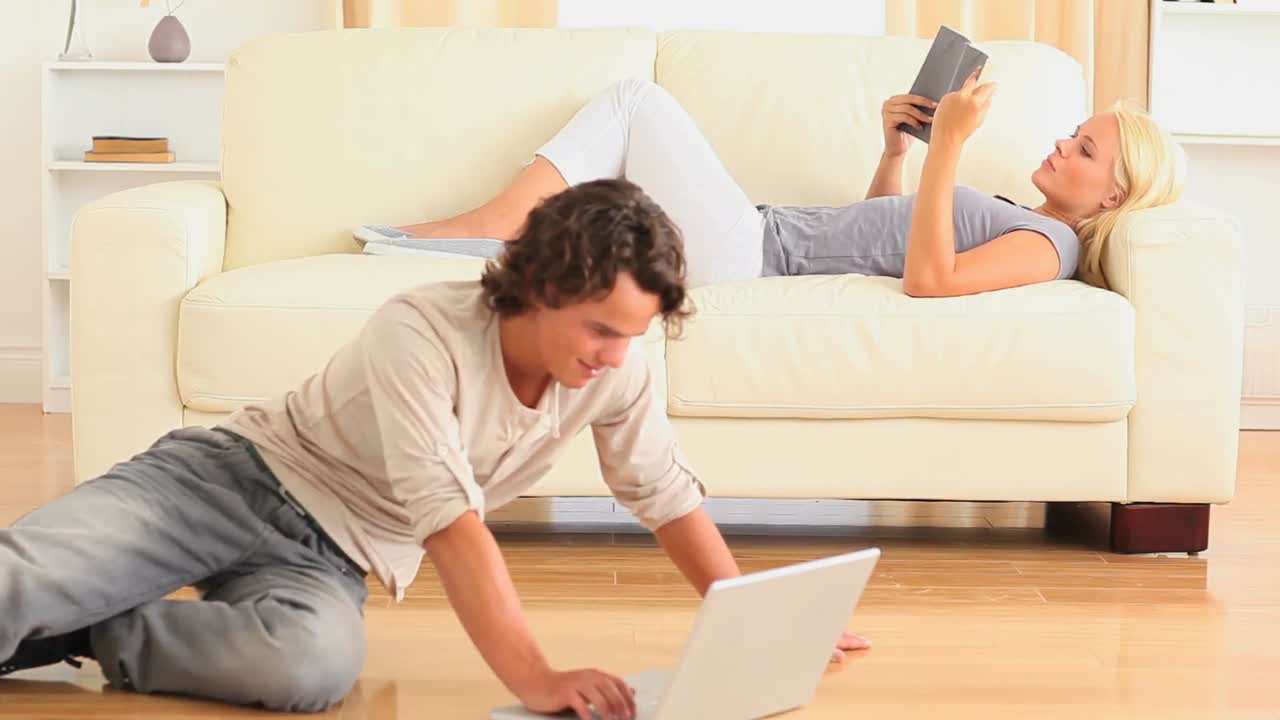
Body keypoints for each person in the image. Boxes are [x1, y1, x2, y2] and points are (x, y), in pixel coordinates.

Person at [0, 179, 868, 720]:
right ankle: (56, 595)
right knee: (20, 578)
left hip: (333, 554)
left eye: (631, 336)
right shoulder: (420, 330)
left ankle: (93, 625)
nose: (614, 356)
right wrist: (535, 676)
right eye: (601, 329)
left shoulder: (613, 371)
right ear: (542, 286)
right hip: (222, 480)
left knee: (310, 667)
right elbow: (452, 526)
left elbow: (663, 494)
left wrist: (758, 621)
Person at [358, 73, 1186, 294]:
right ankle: (438, 243)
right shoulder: (1017, 214)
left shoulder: (1051, 248)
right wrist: (898, 152)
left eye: (1083, 150)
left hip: (753, 255)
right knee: (577, 238)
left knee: (636, 102)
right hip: (759, 237)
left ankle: (501, 217)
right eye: (1074, 134)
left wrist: (948, 152)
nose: (1062, 145)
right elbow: (887, 235)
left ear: (1113, 196)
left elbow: (931, 282)